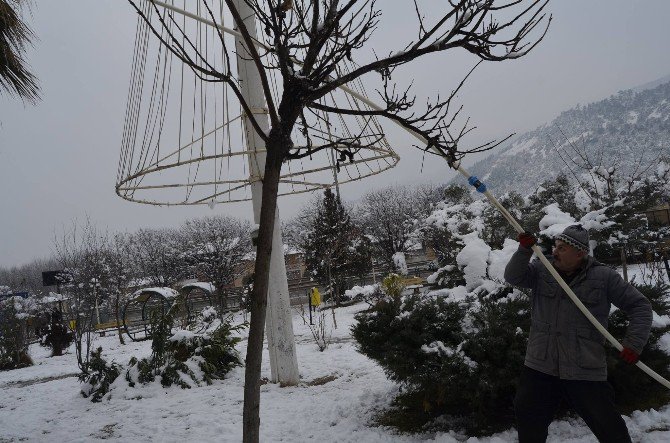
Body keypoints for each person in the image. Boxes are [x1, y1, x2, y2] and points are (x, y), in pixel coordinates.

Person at [504, 224, 652, 443]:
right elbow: (513, 277)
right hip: (541, 364)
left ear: (580, 252)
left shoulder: (603, 277)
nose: (555, 252)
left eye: (562, 248)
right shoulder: (543, 268)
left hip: (584, 367)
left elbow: (640, 306)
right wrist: (523, 250)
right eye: (556, 246)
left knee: (609, 427)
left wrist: (633, 344)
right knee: (529, 420)